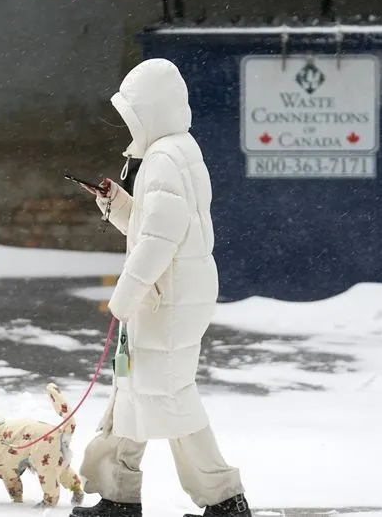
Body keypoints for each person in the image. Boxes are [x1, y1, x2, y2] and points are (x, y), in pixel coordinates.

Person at [72, 58, 251, 517]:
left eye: (133, 113)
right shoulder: (177, 150)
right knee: (139, 390)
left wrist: (125, 293)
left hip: (166, 297)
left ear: (151, 110)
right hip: (174, 292)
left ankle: (225, 500)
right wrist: (117, 205)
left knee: (167, 396)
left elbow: (159, 239)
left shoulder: (165, 158)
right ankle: (118, 497)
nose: (128, 123)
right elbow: (160, 225)